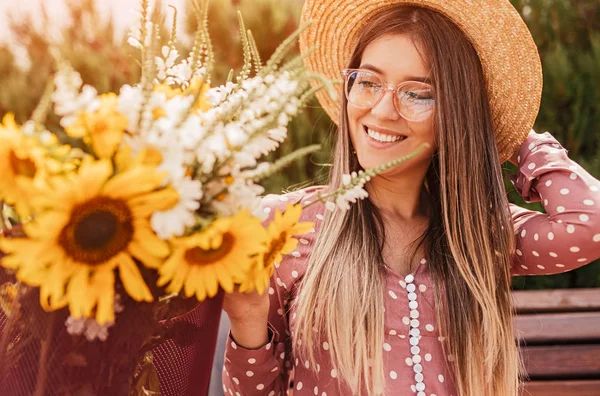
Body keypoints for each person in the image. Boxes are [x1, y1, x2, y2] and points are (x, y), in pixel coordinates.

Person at [220, 1, 600, 395]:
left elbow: (590, 223)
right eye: (367, 82)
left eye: (417, 94)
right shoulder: (283, 227)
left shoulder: (480, 232)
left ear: (456, 113)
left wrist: (512, 131)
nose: (382, 110)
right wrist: (247, 321)